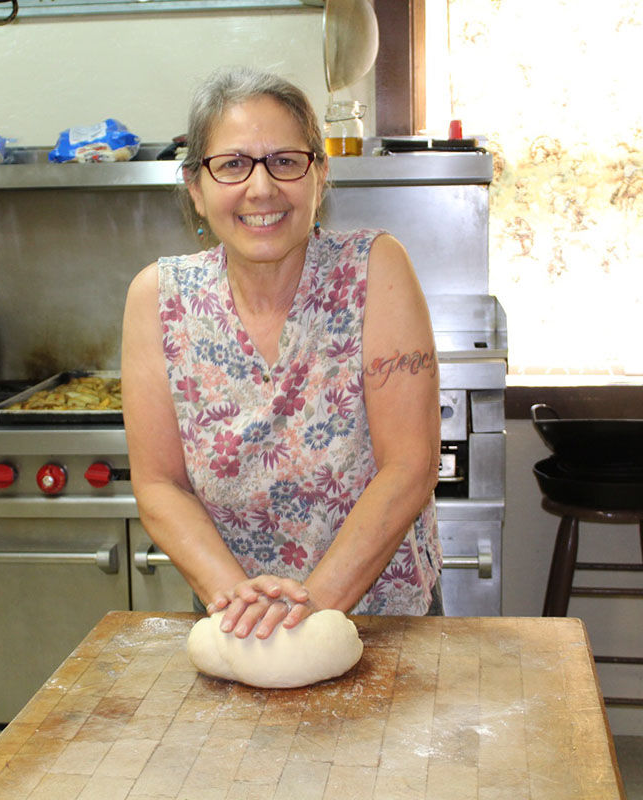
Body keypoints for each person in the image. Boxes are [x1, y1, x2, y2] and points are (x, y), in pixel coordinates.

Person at [121, 66, 441, 642]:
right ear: (196, 187)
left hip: (378, 618)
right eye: (233, 164)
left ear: (320, 175)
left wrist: (306, 614)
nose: (262, 188)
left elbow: (408, 467)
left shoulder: (374, 269)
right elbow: (159, 484)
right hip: (235, 622)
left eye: (286, 161)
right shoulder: (158, 298)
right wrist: (244, 609)